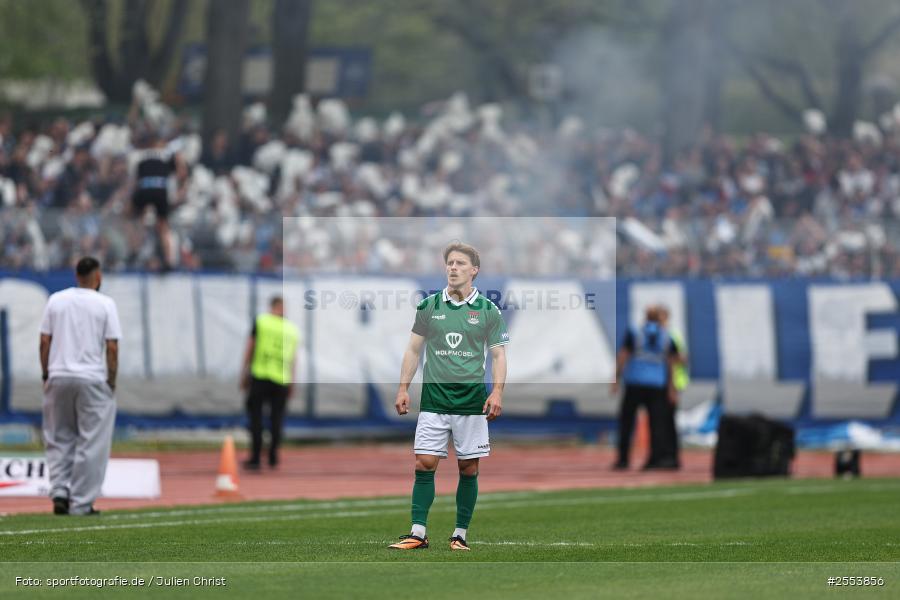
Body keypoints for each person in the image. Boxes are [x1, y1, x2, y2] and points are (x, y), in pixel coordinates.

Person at [389, 242, 508, 551]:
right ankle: (417, 533)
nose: (453, 268)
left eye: (460, 263)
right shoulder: (429, 306)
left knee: (469, 468)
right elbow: (413, 349)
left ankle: (460, 535)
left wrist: (497, 391)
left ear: (474, 270)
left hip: (470, 401)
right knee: (424, 463)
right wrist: (403, 387)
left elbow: (498, 356)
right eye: (449, 263)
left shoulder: (487, 310)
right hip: (434, 399)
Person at [39, 257, 121, 515]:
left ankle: (60, 491)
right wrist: (111, 380)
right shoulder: (105, 304)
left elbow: (44, 341)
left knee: (58, 436)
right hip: (92, 378)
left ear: (76, 275)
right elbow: (112, 347)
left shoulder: (56, 300)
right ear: (98, 276)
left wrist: (46, 374)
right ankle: (82, 502)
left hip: (59, 375)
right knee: (91, 440)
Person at [610, 306, 680, 471]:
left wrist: (616, 378)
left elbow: (623, 356)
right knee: (657, 425)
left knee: (627, 423)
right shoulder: (667, 336)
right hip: (657, 384)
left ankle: (623, 459)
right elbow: (672, 363)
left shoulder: (635, 332)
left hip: (635, 382)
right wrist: (672, 388)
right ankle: (654, 460)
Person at [239, 296, 300, 470]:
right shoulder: (291, 329)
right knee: (277, 419)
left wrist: (244, 372)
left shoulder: (261, 321)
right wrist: (292, 382)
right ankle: (273, 456)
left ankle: (256, 457)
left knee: (256, 416)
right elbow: (294, 359)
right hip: (281, 379)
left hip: (261, 375)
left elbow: (251, 347)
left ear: (271, 306)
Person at [130, 132, 185, 271]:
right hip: (160, 189)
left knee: (136, 220)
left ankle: (135, 252)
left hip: (144, 188)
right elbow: (180, 173)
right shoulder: (167, 153)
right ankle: (168, 261)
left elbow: (135, 180)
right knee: (163, 226)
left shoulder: (140, 155)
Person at [657, 304, 688, 469]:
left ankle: (671, 457)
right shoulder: (662, 335)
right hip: (664, 382)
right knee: (662, 421)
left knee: (668, 421)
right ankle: (665, 456)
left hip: (673, 382)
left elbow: (682, 358)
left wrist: (673, 385)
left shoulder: (670, 335)